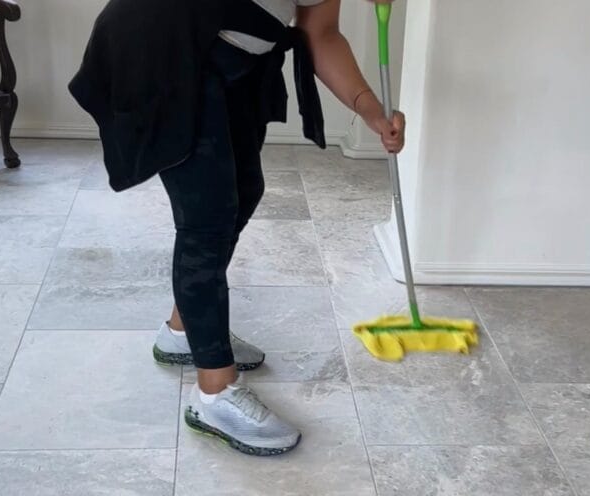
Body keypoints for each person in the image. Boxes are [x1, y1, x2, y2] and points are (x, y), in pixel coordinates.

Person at [71, 0, 404, 456]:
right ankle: (214, 393)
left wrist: (370, 110)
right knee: (206, 218)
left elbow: (320, 32)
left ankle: (184, 329)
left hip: (237, 61)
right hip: (163, 45)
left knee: (244, 190)